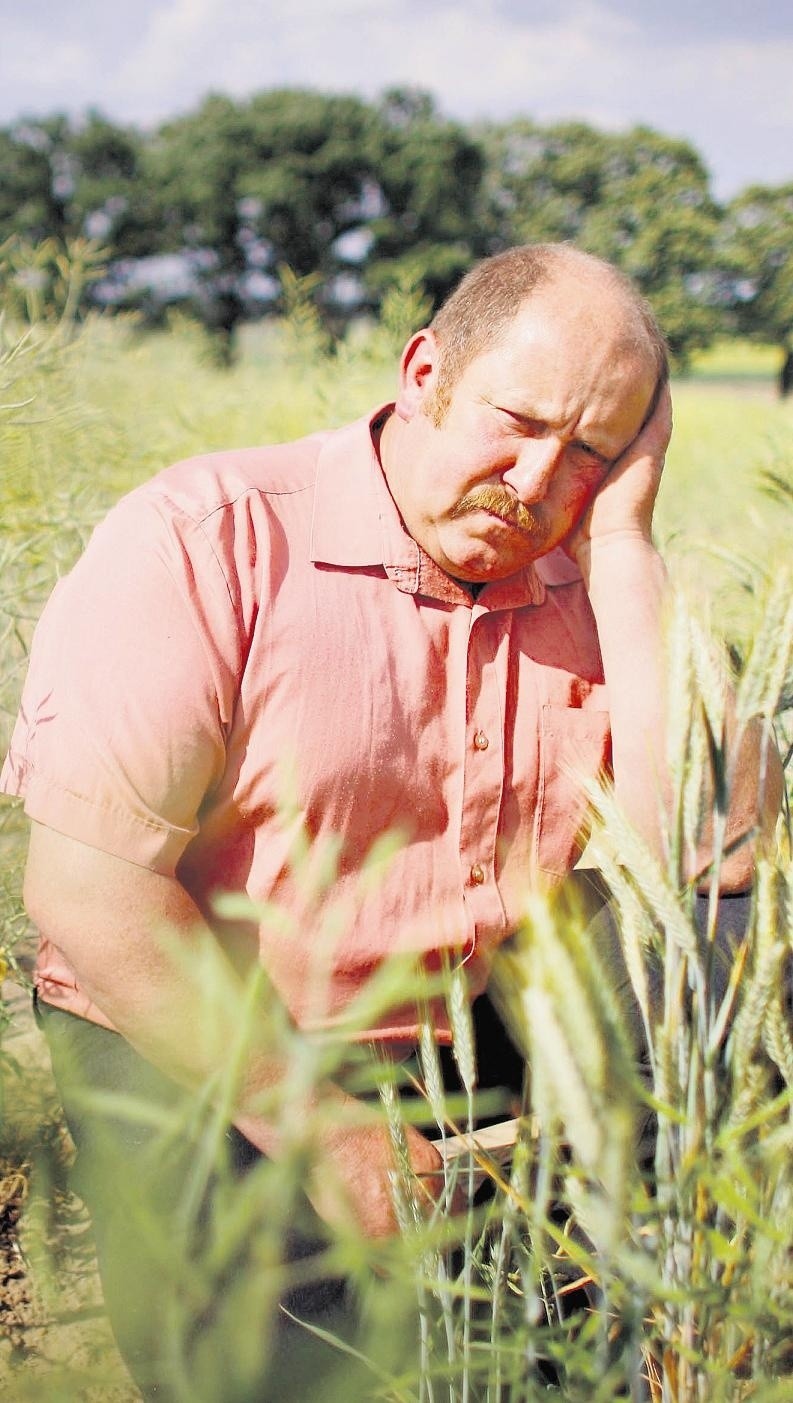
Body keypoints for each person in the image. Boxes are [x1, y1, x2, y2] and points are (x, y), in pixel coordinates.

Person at [1, 243, 781, 1399]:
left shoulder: (585, 570)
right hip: (189, 1017)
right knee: (279, 1364)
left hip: (451, 1013)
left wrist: (620, 542)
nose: (535, 479)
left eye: (591, 453)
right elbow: (89, 896)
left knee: (720, 950)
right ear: (425, 373)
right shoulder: (205, 536)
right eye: (514, 421)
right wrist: (315, 1120)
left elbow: (708, 854)